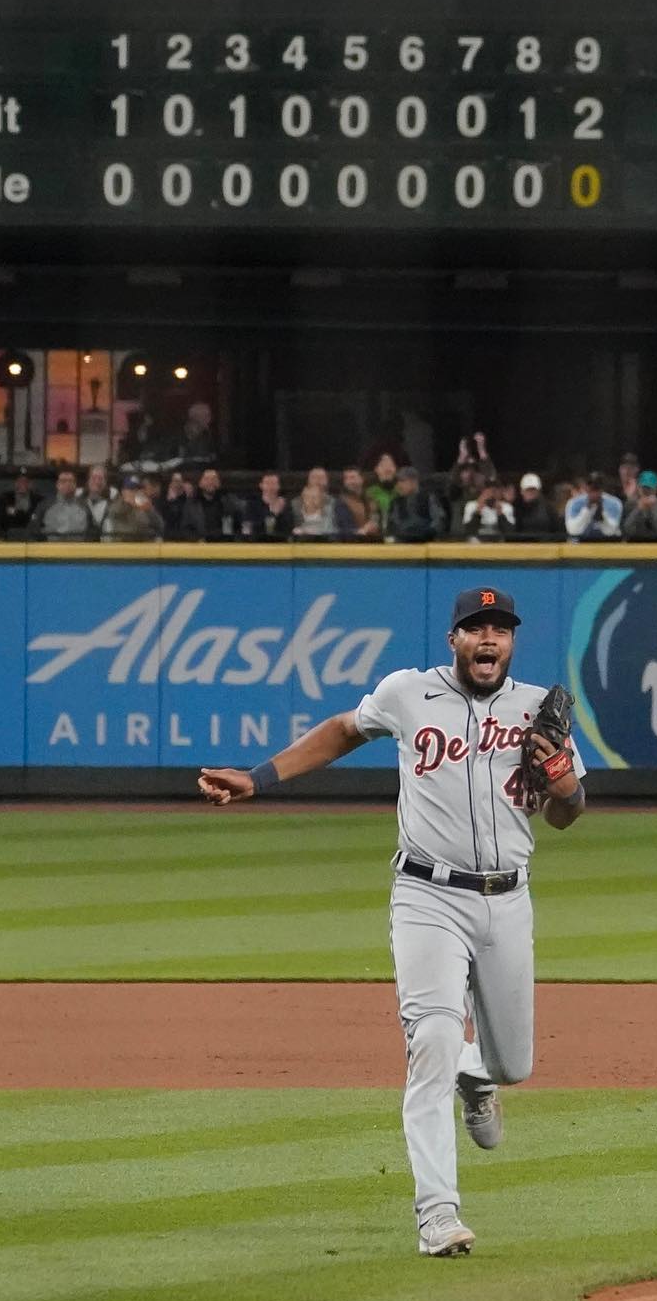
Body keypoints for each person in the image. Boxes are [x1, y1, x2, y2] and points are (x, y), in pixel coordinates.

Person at [198, 587, 586, 1256]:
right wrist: (260, 778)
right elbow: (343, 730)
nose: (488, 640)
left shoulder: (536, 709)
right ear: (453, 640)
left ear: (512, 642)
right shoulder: (409, 692)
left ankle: (479, 1072)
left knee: (514, 1063)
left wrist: (563, 782)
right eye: (476, 629)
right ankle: (438, 1215)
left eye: (500, 630)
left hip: (507, 900)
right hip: (427, 897)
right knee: (431, 1040)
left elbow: (566, 814)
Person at [387, 466, 447, 542]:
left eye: (402, 481)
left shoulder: (428, 498)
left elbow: (439, 521)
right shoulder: (396, 502)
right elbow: (394, 524)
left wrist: (425, 533)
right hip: (402, 543)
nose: (398, 485)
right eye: (397, 482)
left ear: (414, 482)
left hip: (426, 542)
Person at [33, 469, 95, 541]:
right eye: (63, 481)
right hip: (52, 547)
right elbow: (34, 529)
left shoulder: (84, 506)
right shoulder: (45, 505)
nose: (67, 484)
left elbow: (92, 530)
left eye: (71, 481)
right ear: (57, 485)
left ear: (75, 485)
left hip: (79, 547)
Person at [180, 467, 235, 541]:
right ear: (200, 483)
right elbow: (185, 529)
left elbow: (228, 530)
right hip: (198, 545)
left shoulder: (226, 503)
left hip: (222, 545)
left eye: (214, 479)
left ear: (219, 483)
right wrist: (197, 540)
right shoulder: (190, 504)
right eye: (207, 479)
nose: (210, 482)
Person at [564, 473, 623, 541]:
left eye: (597, 487)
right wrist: (587, 509)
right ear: (586, 487)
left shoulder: (614, 503)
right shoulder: (574, 503)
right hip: (580, 543)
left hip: (607, 542)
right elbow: (573, 531)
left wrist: (602, 514)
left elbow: (610, 532)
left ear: (602, 488)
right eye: (590, 486)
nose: (594, 490)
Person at [104, 474, 162, 541]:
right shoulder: (116, 506)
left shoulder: (144, 505)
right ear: (123, 491)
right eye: (131, 489)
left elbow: (160, 526)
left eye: (137, 489)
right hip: (124, 544)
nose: (134, 492)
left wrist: (150, 510)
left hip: (145, 544)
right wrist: (129, 504)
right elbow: (127, 531)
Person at [621, 470, 657, 540]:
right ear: (638, 487)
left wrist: (651, 509)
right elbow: (627, 530)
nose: (646, 492)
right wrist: (639, 509)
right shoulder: (631, 502)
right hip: (636, 540)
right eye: (643, 488)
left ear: (656, 488)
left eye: (649, 489)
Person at [461, 473, 515, 541]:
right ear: (482, 490)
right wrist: (478, 510)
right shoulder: (471, 505)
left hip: (497, 544)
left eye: (495, 489)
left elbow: (509, 532)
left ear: (500, 491)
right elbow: (468, 531)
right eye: (488, 488)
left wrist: (500, 513)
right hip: (476, 544)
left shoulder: (506, 507)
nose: (491, 492)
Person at [242, 471, 294, 541]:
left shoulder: (285, 504)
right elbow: (250, 528)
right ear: (261, 485)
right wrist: (272, 513)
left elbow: (289, 528)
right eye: (267, 483)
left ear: (279, 486)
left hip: (280, 543)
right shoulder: (252, 504)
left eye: (274, 483)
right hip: (257, 543)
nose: (271, 487)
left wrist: (279, 513)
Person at [162, 400, 215, 468]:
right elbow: (165, 463)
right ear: (192, 416)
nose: (209, 419)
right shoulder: (172, 437)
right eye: (206, 415)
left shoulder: (208, 438)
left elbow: (212, 460)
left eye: (209, 415)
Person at [338, 467, 380, 540]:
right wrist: (364, 530)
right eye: (346, 478)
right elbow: (344, 528)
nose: (349, 481)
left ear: (361, 479)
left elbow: (376, 518)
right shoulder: (341, 502)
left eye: (353, 477)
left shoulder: (371, 499)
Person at [512, 473, 559, 539]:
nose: (530, 492)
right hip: (523, 544)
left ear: (539, 491)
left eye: (533, 490)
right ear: (522, 491)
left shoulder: (549, 508)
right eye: (528, 490)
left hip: (545, 544)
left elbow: (557, 531)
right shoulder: (517, 509)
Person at [0, 470, 41, 537]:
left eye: (26, 481)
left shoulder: (39, 500)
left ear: (30, 484)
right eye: (19, 481)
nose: (22, 484)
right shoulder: (5, 498)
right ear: (15, 483)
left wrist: (16, 512)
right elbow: (2, 518)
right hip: (9, 534)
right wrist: (29, 516)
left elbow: (38, 518)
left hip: (32, 535)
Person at [365, 453, 401, 531]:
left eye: (391, 465)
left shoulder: (402, 491)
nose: (387, 468)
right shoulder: (370, 493)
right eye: (383, 465)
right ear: (376, 469)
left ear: (396, 469)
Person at [81, 465, 116, 535]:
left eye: (100, 478)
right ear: (88, 480)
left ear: (105, 482)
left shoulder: (113, 502)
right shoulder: (78, 498)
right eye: (93, 478)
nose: (97, 482)